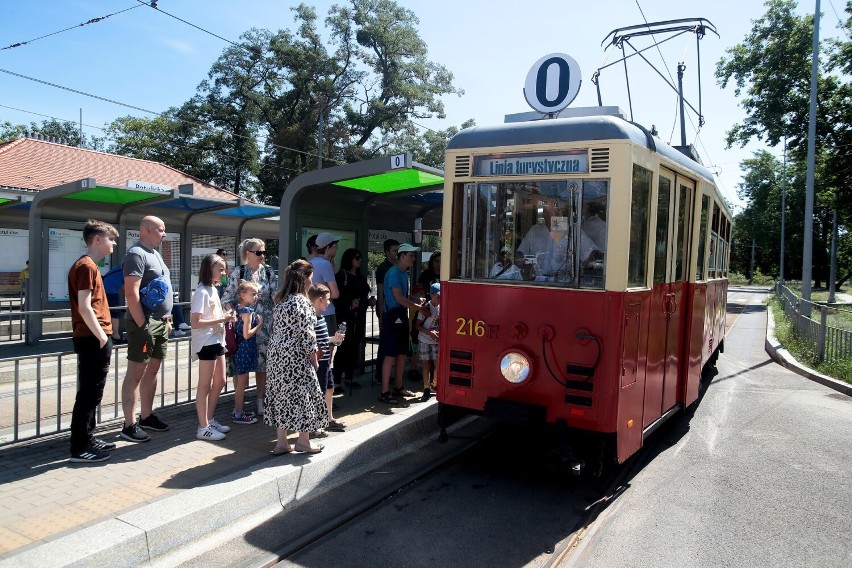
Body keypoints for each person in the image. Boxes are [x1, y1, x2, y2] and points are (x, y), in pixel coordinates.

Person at [68, 220, 119, 462]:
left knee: (92, 392)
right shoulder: (86, 267)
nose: (113, 243)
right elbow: (85, 305)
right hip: (92, 338)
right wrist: (101, 336)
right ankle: (79, 447)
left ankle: (88, 437)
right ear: (97, 240)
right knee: (89, 393)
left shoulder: (89, 266)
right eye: (110, 239)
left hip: (93, 337)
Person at [264, 259, 327, 454]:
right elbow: (308, 334)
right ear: (305, 279)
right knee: (303, 395)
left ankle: (281, 442)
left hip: (276, 355)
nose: (312, 281)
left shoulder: (281, 300)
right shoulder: (303, 302)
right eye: (311, 277)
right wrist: (314, 357)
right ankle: (303, 441)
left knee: (281, 394)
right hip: (295, 356)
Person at [119, 216, 173, 443]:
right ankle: (129, 425)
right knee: (135, 374)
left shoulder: (155, 253)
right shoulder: (136, 254)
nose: (164, 234)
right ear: (148, 230)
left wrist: (167, 318)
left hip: (160, 322)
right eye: (161, 230)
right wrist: (143, 324)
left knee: (152, 371)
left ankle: (146, 416)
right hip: (146, 323)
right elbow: (131, 292)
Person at [221, 238, 277, 416]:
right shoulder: (239, 272)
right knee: (241, 366)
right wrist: (233, 314)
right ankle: (239, 405)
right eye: (259, 252)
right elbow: (227, 298)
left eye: (264, 252)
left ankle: (260, 401)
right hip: (242, 327)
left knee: (263, 365)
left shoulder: (268, 272)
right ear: (248, 254)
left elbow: (275, 297)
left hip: (264, 325)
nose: (262, 256)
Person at [378, 243, 431, 405]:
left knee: (401, 353)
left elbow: (404, 297)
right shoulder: (394, 273)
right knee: (390, 355)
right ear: (402, 256)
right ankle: (385, 391)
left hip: (401, 314)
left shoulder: (403, 273)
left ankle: (399, 386)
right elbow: (399, 299)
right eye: (411, 255)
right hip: (392, 316)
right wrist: (420, 308)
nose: (413, 258)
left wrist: (416, 300)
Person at [191, 253, 236, 442]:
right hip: (207, 342)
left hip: (217, 340)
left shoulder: (212, 289)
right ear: (210, 269)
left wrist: (225, 316)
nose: (223, 272)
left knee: (220, 381)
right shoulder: (202, 291)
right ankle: (203, 427)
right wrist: (224, 318)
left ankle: (209, 420)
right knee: (205, 385)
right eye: (221, 268)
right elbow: (196, 322)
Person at [333, 248, 374, 390]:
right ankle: (337, 381)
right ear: (349, 259)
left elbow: (363, 297)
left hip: (359, 317)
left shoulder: (361, 277)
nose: (359, 260)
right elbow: (336, 299)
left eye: (360, 257)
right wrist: (349, 305)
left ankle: (349, 378)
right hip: (344, 319)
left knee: (353, 347)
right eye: (357, 258)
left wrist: (369, 302)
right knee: (342, 348)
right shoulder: (341, 276)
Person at [309, 284, 346, 433]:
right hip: (319, 361)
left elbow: (323, 339)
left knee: (329, 388)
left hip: (325, 361)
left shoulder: (321, 317)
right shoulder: (312, 318)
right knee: (320, 391)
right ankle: (316, 423)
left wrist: (333, 339)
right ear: (320, 299)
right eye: (328, 299)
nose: (329, 302)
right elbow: (311, 341)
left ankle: (328, 418)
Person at [309, 233, 341, 386]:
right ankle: (325, 389)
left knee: (316, 353)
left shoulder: (310, 262)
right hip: (327, 313)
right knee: (327, 355)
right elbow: (335, 293)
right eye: (335, 246)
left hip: (312, 312)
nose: (336, 249)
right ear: (328, 247)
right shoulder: (325, 264)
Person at [232, 280, 261, 424]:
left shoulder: (238, 308)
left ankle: (239, 409)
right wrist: (259, 325)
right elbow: (247, 334)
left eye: (256, 294)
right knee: (242, 384)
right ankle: (238, 413)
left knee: (239, 382)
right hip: (245, 349)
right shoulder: (247, 312)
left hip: (240, 349)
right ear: (243, 295)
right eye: (253, 294)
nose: (256, 296)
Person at [373, 239, 399, 384]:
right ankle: (380, 374)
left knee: (391, 343)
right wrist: (381, 313)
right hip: (386, 309)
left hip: (394, 310)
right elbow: (380, 292)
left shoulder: (396, 267)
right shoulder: (383, 268)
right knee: (385, 344)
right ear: (387, 252)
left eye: (397, 250)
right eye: (394, 250)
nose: (396, 253)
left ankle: (387, 373)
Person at [414, 282, 441, 402]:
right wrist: (429, 333)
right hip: (425, 339)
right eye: (438, 296)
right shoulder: (425, 307)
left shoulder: (443, 307)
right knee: (426, 364)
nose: (440, 299)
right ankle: (426, 387)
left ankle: (435, 383)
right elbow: (417, 326)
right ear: (432, 295)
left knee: (438, 363)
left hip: (436, 340)